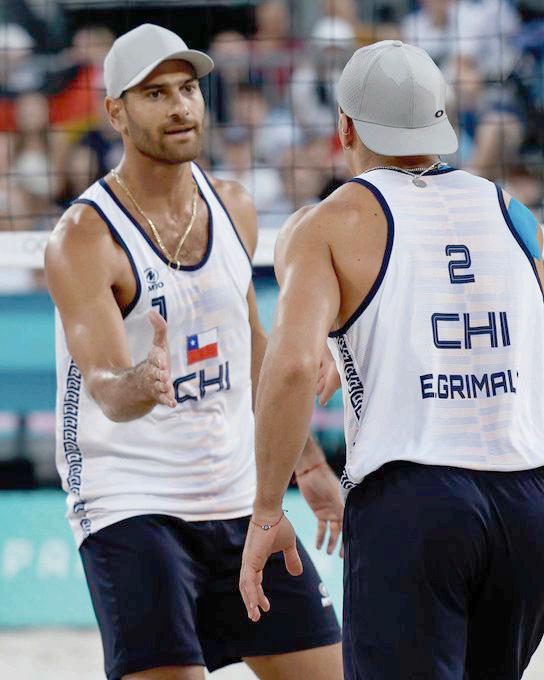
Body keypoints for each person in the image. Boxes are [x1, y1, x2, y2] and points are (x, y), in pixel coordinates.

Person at [45, 23, 343, 680]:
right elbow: (104, 386)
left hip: (238, 495)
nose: (180, 107)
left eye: (187, 89)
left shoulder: (234, 206)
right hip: (131, 503)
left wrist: (310, 463)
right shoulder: (83, 238)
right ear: (116, 112)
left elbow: (255, 348)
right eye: (155, 94)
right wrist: (141, 382)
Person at [240, 40, 544, 680]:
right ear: (441, 122)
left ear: (345, 128)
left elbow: (290, 367)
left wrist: (267, 508)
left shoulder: (328, 223)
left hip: (415, 497)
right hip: (527, 499)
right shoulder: (517, 215)